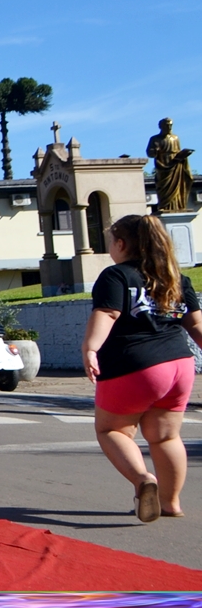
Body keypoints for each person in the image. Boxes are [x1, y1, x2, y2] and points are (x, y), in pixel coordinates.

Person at [82, 214, 202, 522]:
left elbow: (108, 314)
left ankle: (142, 479)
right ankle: (170, 503)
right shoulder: (174, 277)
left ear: (121, 244)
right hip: (179, 366)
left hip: (134, 365)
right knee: (166, 437)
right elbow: (196, 325)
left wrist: (91, 348)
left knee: (112, 429)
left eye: (111, 242)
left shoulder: (116, 275)